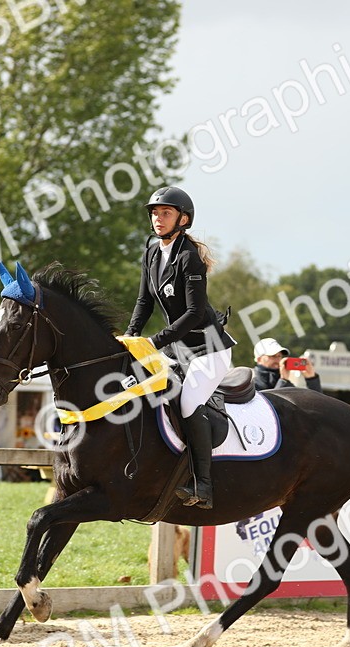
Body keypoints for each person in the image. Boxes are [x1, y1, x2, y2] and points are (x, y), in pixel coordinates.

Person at [125, 186, 235, 510]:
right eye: (155, 213)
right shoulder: (151, 252)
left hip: (209, 348)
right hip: (178, 347)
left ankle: (203, 484)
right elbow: (144, 301)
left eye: (166, 213)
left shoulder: (190, 256)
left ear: (183, 219)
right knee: (135, 381)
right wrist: (131, 336)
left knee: (187, 402)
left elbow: (195, 313)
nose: (158, 219)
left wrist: (155, 341)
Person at [252, 338, 322, 392]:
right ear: (259, 359)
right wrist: (283, 381)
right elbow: (270, 407)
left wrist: (311, 379)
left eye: (279, 356)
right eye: (272, 356)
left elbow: (316, 407)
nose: (277, 360)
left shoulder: (288, 385)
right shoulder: (250, 384)